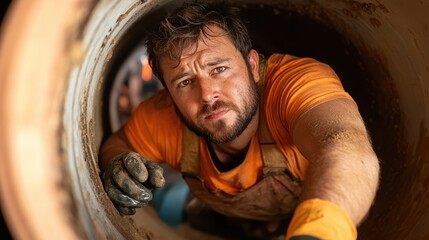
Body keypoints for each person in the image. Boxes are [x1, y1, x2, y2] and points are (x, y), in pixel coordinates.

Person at [99, 1, 380, 239]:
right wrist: (118, 164)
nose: (207, 95)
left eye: (219, 68)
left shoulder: (294, 84)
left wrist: (318, 231)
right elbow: (119, 143)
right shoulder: (161, 118)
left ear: (253, 66)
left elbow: (344, 146)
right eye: (185, 82)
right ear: (168, 92)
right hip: (224, 224)